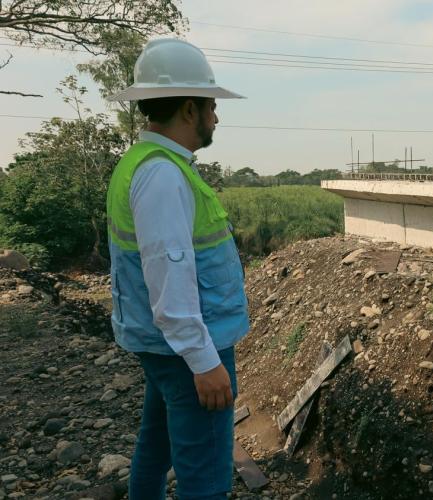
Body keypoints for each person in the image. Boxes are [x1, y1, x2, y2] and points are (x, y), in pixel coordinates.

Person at [106, 39, 249, 499]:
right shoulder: (163, 175)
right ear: (190, 109)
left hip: (164, 345)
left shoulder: (145, 164)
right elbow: (168, 270)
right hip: (188, 347)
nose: (216, 116)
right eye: (211, 105)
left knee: (158, 444)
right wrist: (204, 360)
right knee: (205, 475)